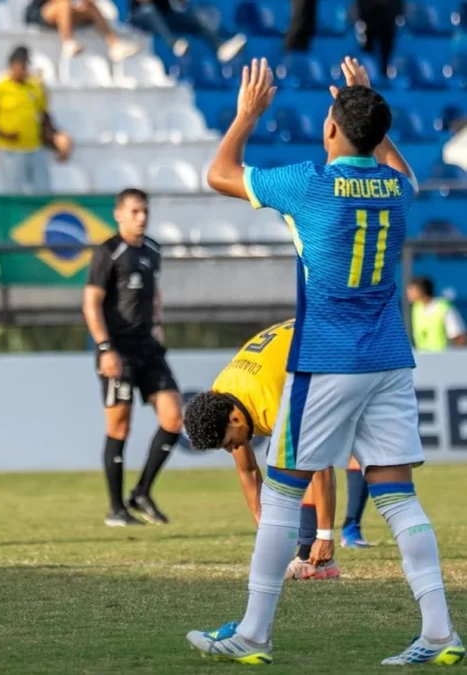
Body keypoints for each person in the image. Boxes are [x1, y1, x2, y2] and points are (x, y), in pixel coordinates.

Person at [187, 56, 464, 666]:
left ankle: (253, 634)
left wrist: (246, 115)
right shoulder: (396, 189)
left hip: (327, 358)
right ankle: (440, 632)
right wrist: (371, 117)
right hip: (389, 358)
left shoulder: (309, 183)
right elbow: (402, 171)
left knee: (283, 494)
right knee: (399, 497)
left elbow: (219, 173)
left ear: (331, 129)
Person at [183, 319, 343, 581]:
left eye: (229, 443)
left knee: (302, 461)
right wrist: (269, 533)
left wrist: (325, 537)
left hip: (345, 350)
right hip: (310, 350)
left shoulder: (273, 406)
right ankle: (310, 557)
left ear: (234, 419)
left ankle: (317, 554)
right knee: (289, 460)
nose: (233, 448)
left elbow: (320, 467)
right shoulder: (223, 399)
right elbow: (248, 472)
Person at [82, 188, 182, 527]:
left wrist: (158, 330)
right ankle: (116, 509)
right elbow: (91, 303)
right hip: (118, 349)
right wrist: (105, 348)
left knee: (173, 418)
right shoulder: (108, 252)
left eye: (145, 212)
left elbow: (154, 296)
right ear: (119, 214)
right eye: (135, 211)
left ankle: (141, 492)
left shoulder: (153, 249)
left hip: (148, 348)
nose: (141, 218)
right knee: (119, 426)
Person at [0, 46, 67, 195]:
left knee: (42, 190)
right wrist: (4, 134)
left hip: (35, 147)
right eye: (22, 66)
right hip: (10, 149)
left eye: (26, 65)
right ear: (12, 65)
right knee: (15, 192)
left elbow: (44, 114)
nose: (24, 70)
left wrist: (53, 136)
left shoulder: (34, 86)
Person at [130, 0, 246, 63]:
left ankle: (219, 46)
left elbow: (182, 4)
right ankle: (174, 44)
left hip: (164, 16)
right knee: (149, 11)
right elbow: (144, 2)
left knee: (193, 19)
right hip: (140, 17)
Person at [25, 0, 138, 62]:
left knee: (91, 7)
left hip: (68, 12)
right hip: (43, 14)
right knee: (64, 3)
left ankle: (114, 45)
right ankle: (67, 42)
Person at [406, 276, 466, 350]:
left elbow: (459, 338)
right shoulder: (417, 308)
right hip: (423, 356)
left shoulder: (444, 308)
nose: (408, 293)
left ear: (422, 290)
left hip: (445, 356)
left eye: (411, 289)